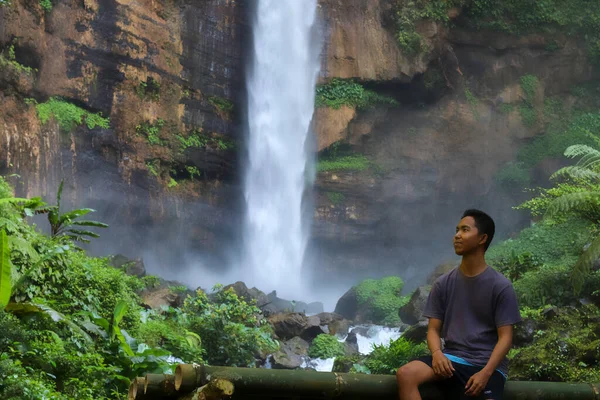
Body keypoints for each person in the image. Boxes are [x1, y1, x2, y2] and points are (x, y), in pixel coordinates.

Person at [396, 209, 521, 400]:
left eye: (464, 230)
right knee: (406, 374)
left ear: (482, 238)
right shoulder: (443, 283)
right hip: (451, 360)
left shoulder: (500, 286)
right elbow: (433, 330)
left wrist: (485, 373)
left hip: (488, 365)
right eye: (457, 230)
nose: (457, 235)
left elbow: (505, 338)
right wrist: (437, 354)